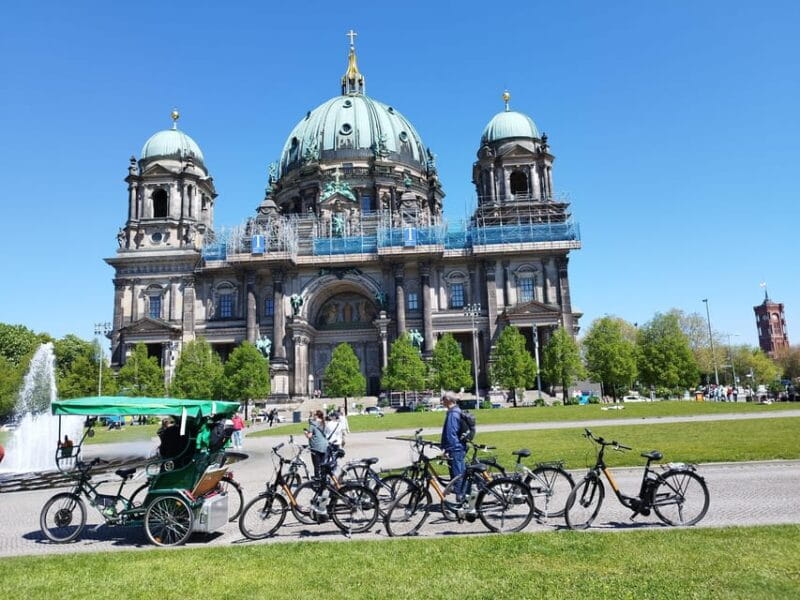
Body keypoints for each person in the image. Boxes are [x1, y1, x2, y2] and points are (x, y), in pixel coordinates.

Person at [440, 391, 467, 502]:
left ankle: (461, 499)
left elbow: (451, 434)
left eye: (443, 398)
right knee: (459, 472)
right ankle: (462, 495)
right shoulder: (455, 411)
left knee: (458, 475)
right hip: (458, 447)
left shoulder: (453, 414)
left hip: (455, 448)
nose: (442, 401)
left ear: (448, 400)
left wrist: (447, 450)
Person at [305, 410, 328, 479]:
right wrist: (310, 414)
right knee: (322, 464)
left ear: (316, 416)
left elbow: (309, 436)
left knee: (316, 465)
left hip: (316, 446)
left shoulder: (313, 425)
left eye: (314, 415)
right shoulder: (323, 423)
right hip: (324, 445)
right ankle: (323, 478)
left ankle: (317, 479)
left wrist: (305, 433)